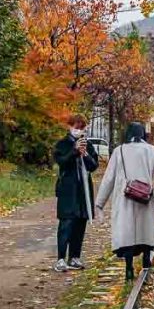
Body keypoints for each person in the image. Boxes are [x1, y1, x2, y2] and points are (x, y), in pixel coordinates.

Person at [95, 122, 154, 280]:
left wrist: (100, 202)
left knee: (128, 233)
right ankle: (146, 259)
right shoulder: (151, 151)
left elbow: (108, 179)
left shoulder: (119, 151)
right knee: (145, 229)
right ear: (143, 134)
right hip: (145, 196)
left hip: (124, 197)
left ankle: (128, 267)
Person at [52, 115, 99, 272]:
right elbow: (62, 162)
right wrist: (74, 151)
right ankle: (60, 259)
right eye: (76, 127)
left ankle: (74, 257)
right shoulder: (62, 144)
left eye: (82, 128)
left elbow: (93, 166)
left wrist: (85, 153)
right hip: (68, 190)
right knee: (66, 224)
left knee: (80, 224)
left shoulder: (88, 145)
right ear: (70, 126)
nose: (79, 131)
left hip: (83, 191)